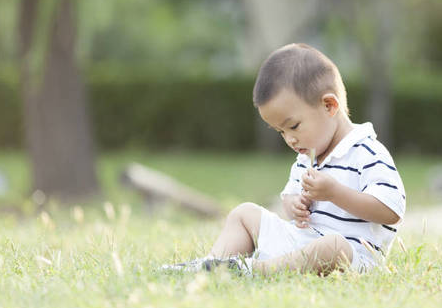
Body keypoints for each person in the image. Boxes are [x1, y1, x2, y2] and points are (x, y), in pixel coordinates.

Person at [163, 43, 406, 276]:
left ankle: (252, 270)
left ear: (329, 105)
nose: (289, 139)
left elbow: (391, 210)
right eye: (281, 132)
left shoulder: (367, 152)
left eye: (294, 126)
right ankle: (212, 266)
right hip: (301, 244)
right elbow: (289, 200)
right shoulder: (307, 155)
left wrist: (334, 193)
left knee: (333, 246)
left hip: (352, 256)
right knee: (244, 213)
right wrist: (295, 206)